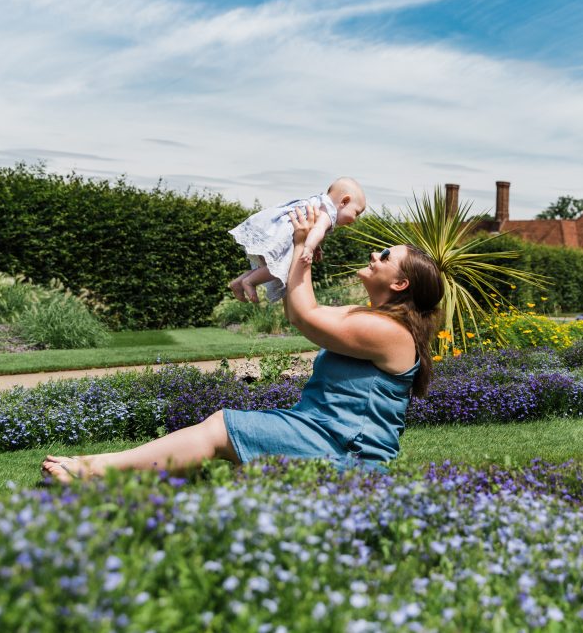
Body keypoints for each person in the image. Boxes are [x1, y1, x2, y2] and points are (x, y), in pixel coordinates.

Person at [42, 203, 443, 482]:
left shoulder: (391, 333)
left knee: (222, 428)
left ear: (399, 284)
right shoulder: (369, 317)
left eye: (385, 256)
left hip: (347, 452)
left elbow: (304, 316)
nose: (374, 254)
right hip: (321, 432)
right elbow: (302, 306)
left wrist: (301, 246)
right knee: (234, 469)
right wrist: (280, 262)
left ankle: (95, 471)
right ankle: (108, 473)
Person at [227, 177, 366, 303]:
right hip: (283, 236)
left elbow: (313, 230)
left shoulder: (320, 202)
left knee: (270, 267)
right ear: (344, 201)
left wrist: (316, 246)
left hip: (274, 230)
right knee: (282, 268)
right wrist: (309, 248)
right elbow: (318, 230)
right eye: (356, 213)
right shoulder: (329, 213)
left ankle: (239, 282)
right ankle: (249, 282)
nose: (355, 219)